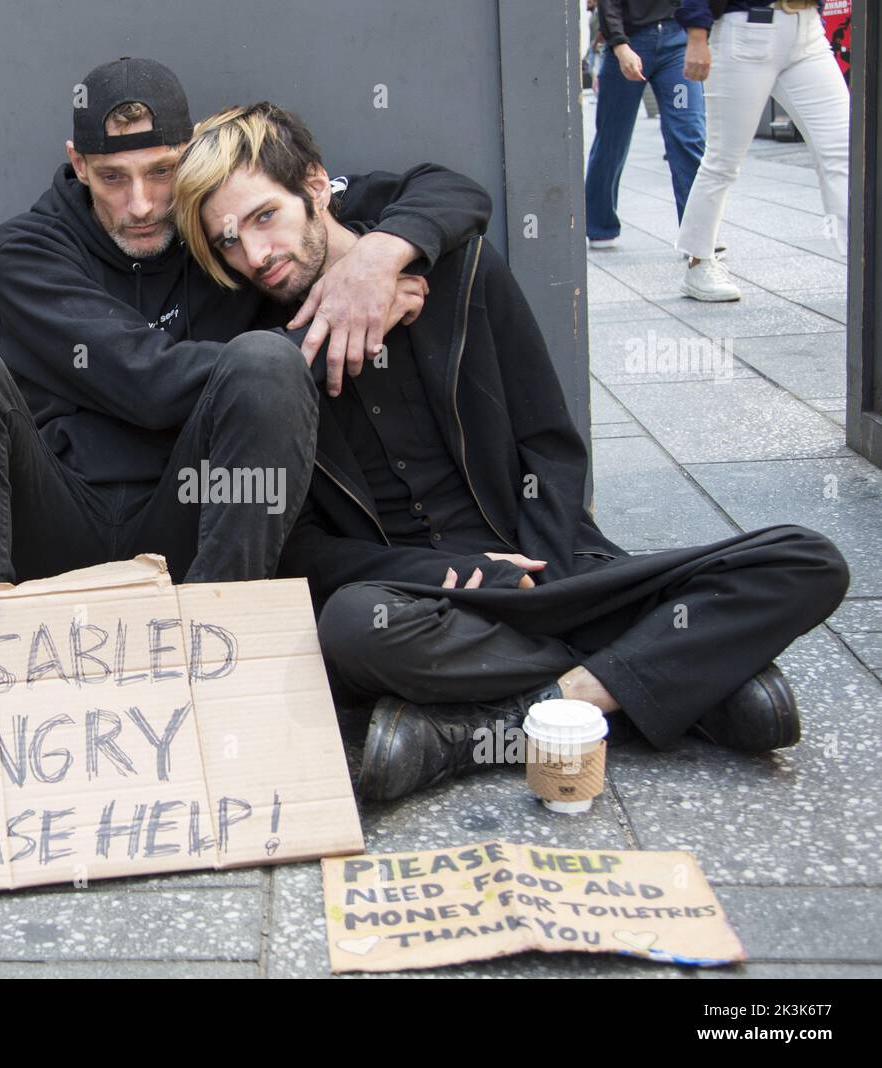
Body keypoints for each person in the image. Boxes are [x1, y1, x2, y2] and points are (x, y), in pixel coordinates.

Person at [172, 101, 850, 803]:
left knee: (807, 561)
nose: (253, 256)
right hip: (422, 598)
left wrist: (548, 577)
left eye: (263, 218)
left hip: (550, 570)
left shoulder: (457, 272)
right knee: (350, 630)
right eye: (226, 241)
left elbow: (550, 447)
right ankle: (670, 675)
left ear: (316, 186)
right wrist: (445, 569)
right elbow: (301, 548)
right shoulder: (263, 358)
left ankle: (504, 723)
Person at [0, 58, 491, 608]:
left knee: (263, 364)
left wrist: (378, 260)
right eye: (112, 178)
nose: (141, 205)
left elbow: (450, 191)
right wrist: (330, 331)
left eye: (161, 172)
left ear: (186, 156)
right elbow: (149, 383)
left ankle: (222, 637)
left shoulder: (224, 225)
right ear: (78, 165)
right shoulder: (27, 249)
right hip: (55, 517)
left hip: (195, 518)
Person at [675, 0, 850, 301]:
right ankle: (699, 261)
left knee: (844, 150)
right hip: (746, 28)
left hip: (807, 30)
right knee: (723, 160)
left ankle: (860, 257)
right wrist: (696, 36)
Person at [585, 1, 706, 250]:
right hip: (629, 43)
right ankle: (600, 225)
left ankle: (699, 233)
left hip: (677, 44)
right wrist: (619, 45)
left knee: (689, 134)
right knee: (612, 138)